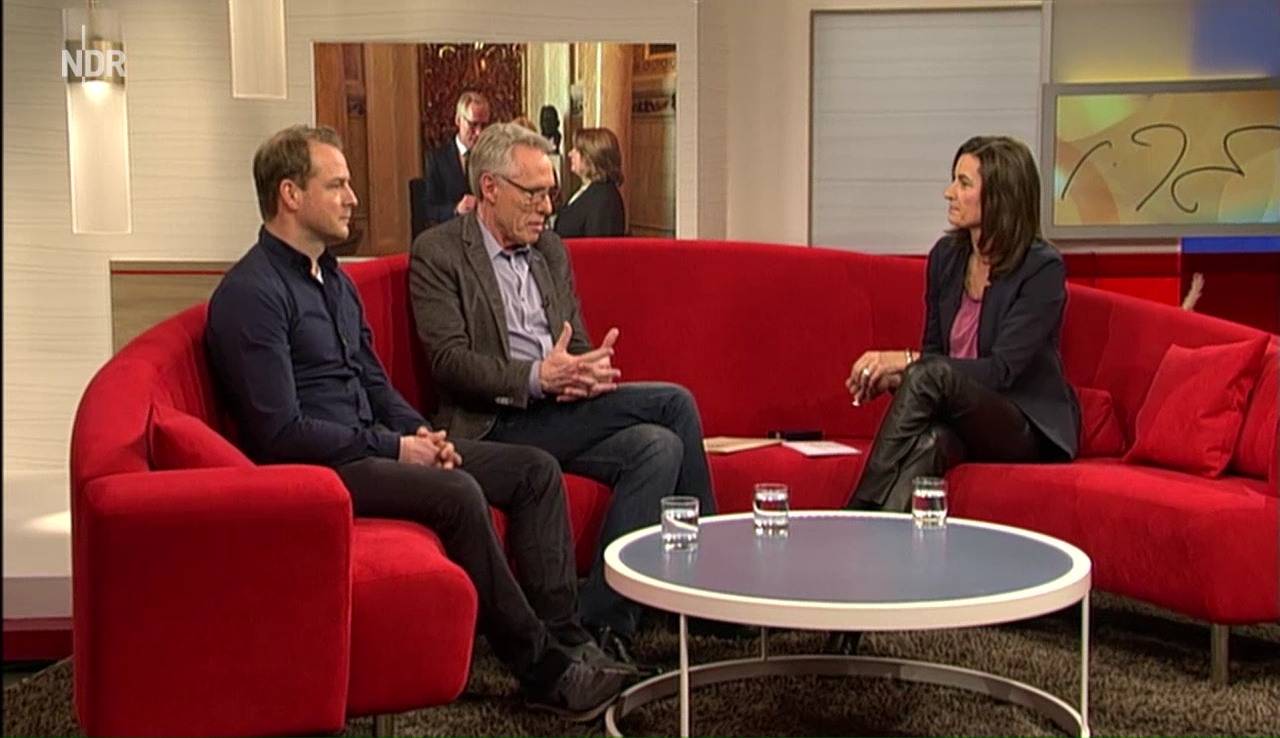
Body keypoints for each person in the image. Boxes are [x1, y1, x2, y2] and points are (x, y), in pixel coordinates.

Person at [204, 124, 628, 722]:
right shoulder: (251, 295)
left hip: (372, 447)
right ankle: (542, 671)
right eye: (337, 185)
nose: (352, 198)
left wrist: (425, 435)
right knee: (457, 493)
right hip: (319, 470)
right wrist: (397, 448)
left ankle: (565, 636)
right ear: (290, 195)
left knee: (533, 471)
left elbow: (374, 382)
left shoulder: (332, 279)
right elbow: (281, 433)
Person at [408, 122, 717, 672]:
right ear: (490, 187)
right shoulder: (440, 252)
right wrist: (536, 378)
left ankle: (604, 621)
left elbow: (574, 338)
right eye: (534, 193)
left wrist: (586, 371)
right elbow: (449, 363)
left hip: (561, 410)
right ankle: (710, 583)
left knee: (659, 447)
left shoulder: (549, 249)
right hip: (495, 422)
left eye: (551, 193)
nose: (547, 208)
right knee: (674, 403)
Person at [827, 135, 1081, 656]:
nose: (949, 193)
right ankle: (850, 614)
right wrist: (901, 376)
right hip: (957, 411)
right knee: (929, 447)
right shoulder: (946, 257)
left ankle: (854, 514)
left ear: (999, 196)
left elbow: (1002, 370)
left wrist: (912, 367)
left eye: (963, 183)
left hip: (1022, 424)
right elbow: (935, 354)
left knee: (928, 377)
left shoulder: (1042, 268)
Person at [420, 90, 492, 227]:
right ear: (458, 120)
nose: (479, 132)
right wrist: (456, 209)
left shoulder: (492, 157)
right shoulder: (438, 159)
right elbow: (428, 210)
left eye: (484, 126)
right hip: (452, 231)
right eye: (473, 125)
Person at [554, 127, 626, 238]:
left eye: (576, 150)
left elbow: (597, 244)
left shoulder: (603, 198)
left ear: (590, 157)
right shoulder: (589, 190)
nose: (570, 154)